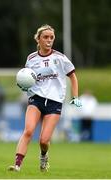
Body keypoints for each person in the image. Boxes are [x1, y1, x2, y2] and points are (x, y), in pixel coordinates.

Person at [8, 24, 82, 172]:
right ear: (38, 39)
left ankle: (44, 155)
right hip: (36, 99)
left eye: (51, 37)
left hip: (55, 102)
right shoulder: (31, 59)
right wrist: (24, 86)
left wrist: (75, 97)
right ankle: (17, 165)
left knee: (43, 140)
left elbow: (73, 77)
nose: (49, 40)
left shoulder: (60, 58)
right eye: (45, 37)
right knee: (28, 131)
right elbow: (28, 78)